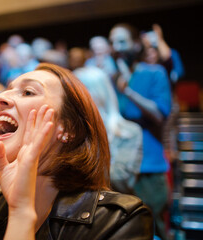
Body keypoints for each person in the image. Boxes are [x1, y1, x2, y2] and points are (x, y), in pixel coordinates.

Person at [0, 63, 153, 239]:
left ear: (67, 128)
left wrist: (21, 213)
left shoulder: (118, 220)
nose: (0, 97)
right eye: (7, 89)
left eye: (28, 92)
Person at [109, 23, 172, 240]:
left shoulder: (155, 73)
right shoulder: (113, 76)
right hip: (121, 168)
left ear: (136, 44)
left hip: (148, 168)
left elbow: (159, 114)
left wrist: (128, 91)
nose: (116, 47)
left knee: (154, 231)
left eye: (122, 41)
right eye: (113, 42)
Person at [74, 66, 143, 194]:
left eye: (79, 92)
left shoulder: (128, 132)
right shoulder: (69, 131)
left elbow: (121, 178)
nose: (73, 99)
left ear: (98, 93)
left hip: (109, 208)